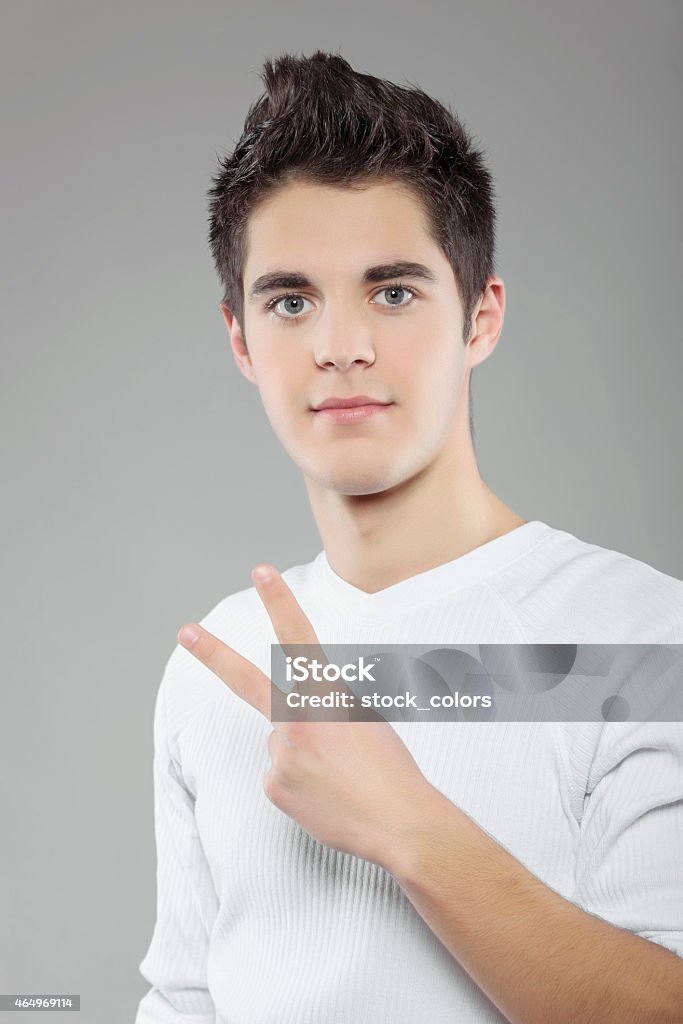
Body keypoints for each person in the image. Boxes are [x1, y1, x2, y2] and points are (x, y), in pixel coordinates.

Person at [135, 50, 683, 1024]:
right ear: (240, 340)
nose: (339, 344)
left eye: (392, 291)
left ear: (479, 316)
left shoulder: (637, 639)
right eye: (290, 299)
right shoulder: (216, 667)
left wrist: (407, 826)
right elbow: (183, 1000)